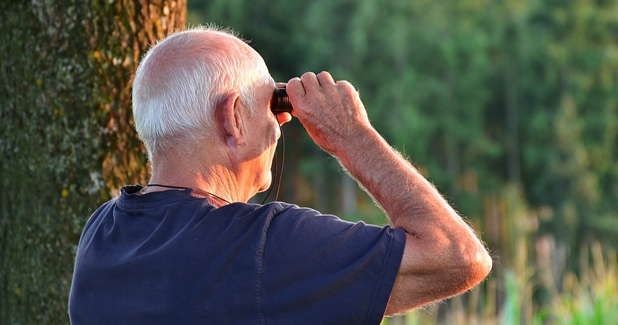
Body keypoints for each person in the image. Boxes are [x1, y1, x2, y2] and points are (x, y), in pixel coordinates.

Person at [68, 26, 492, 325]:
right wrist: (351, 135)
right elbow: (457, 257)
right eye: (271, 105)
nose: (281, 123)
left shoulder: (101, 237)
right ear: (233, 118)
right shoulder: (264, 248)